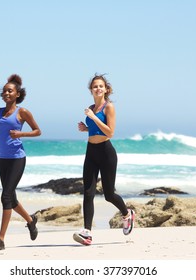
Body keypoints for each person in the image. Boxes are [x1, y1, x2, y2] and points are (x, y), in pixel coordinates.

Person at [73, 74, 135, 246]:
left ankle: (126, 213)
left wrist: (92, 118)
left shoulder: (109, 107)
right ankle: (87, 233)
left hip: (106, 153)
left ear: (106, 89)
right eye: (95, 86)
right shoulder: (91, 107)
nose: (98, 89)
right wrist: (86, 128)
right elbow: (96, 129)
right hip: (91, 151)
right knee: (88, 192)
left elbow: (110, 132)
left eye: (101, 86)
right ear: (91, 90)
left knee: (108, 194)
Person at [0, 74, 41, 250]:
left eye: (10, 91)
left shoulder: (22, 112)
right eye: (4, 91)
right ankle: (31, 221)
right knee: (12, 198)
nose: (6, 93)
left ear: (17, 94)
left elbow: (38, 131)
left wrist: (21, 134)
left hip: (17, 158)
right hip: (2, 159)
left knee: (6, 196)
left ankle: (0, 239)